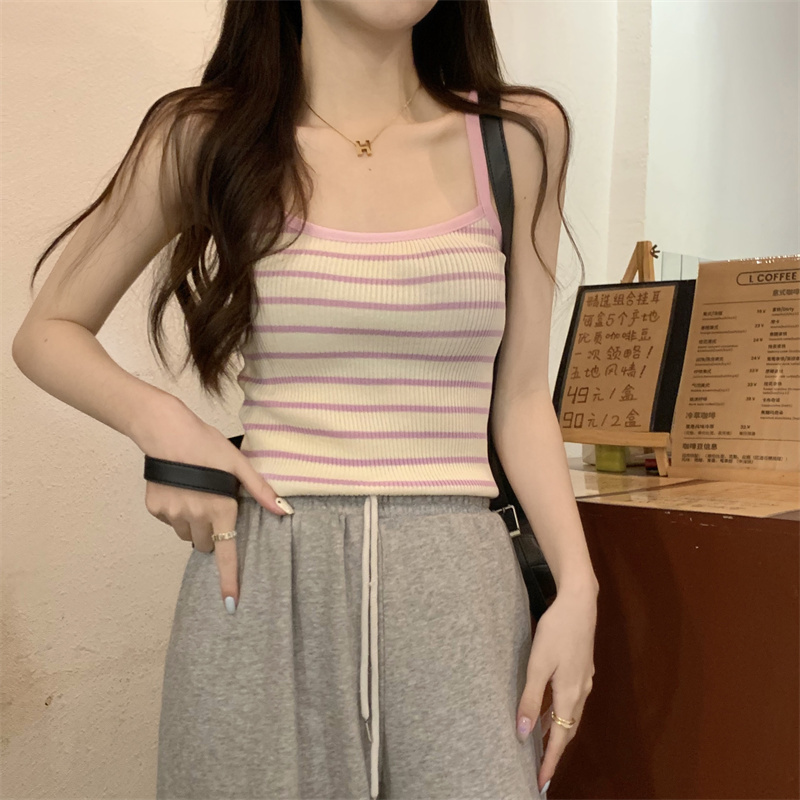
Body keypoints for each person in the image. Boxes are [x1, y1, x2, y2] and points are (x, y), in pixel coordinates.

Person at [13, 1, 598, 798]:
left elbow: (523, 394)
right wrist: (165, 423)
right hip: (264, 580)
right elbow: (47, 332)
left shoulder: (520, 137)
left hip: (458, 589)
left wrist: (577, 588)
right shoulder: (207, 135)